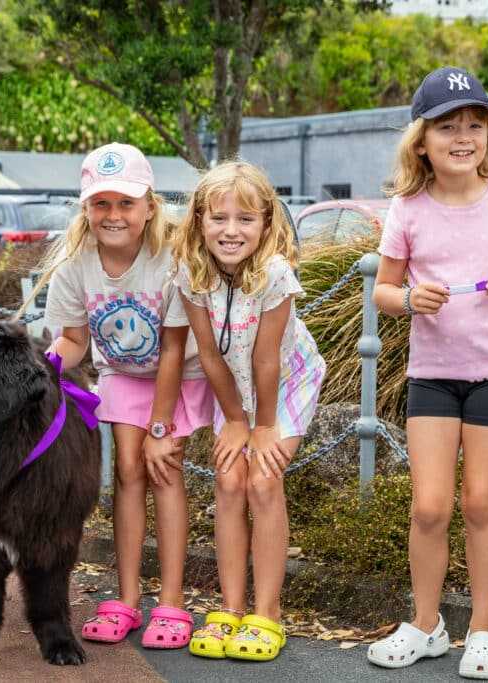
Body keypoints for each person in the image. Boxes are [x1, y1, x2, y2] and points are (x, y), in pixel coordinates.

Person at [367, 66, 488, 679]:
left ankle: (482, 629)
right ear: (422, 139)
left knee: (480, 502)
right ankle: (426, 624)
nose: (463, 137)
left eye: (475, 124)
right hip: (433, 376)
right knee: (428, 507)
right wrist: (410, 299)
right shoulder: (408, 207)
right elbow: (384, 291)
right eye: (448, 126)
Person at [16, 142, 214, 650]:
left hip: (181, 371)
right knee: (126, 471)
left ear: (150, 204)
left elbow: (174, 348)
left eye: (126, 203)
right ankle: (126, 598)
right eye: (101, 203)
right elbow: (74, 341)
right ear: (86, 208)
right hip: (123, 374)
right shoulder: (74, 267)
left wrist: (162, 427)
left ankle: (170, 601)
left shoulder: (172, 258)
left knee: (163, 468)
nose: (113, 215)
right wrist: (38, 372)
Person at [171, 161, 325, 662]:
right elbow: (210, 355)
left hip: (284, 380)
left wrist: (261, 428)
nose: (231, 231)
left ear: (266, 223)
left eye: (245, 219)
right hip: (234, 388)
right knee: (228, 480)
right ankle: (232, 606)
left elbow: (267, 358)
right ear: (199, 221)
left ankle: (268, 611)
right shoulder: (192, 273)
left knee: (262, 478)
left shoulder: (274, 274)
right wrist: (235, 420)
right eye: (218, 218)